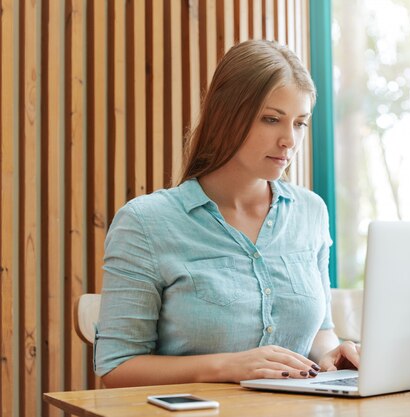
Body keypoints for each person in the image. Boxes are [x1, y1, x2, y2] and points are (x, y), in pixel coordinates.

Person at [95, 39, 360, 388]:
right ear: (227, 116)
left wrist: (329, 356)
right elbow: (116, 369)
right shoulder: (146, 223)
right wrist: (227, 367)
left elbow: (319, 331)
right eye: (271, 119)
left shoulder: (311, 212)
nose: (289, 140)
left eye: (299, 123)